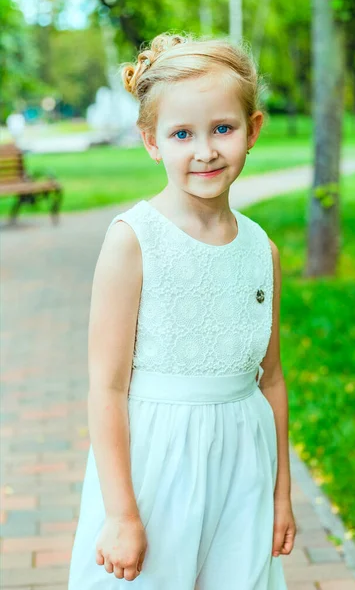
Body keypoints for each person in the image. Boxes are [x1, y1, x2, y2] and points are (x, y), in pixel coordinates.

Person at [68, 31, 296, 589]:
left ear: (253, 130)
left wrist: (281, 494)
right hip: (156, 467)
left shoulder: (261, 251)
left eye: (223, 128)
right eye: (181, 134)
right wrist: (121, 514)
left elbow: (271, 380)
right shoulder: (133, 241)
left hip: (244, 467)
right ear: (151, 141)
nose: (205, 150)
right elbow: (107, 388)